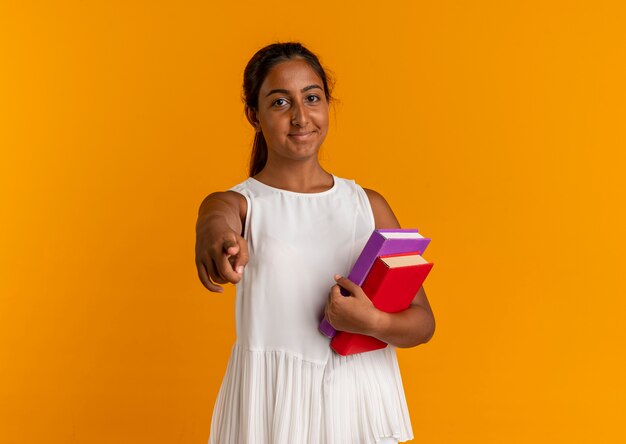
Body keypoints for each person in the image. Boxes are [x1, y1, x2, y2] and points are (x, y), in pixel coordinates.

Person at [195, 42, 435, 444]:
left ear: (327, 103)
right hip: (274, 412)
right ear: (254, 115)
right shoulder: (241, 204)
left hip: (355, 407)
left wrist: (371, 323)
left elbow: (423, 322)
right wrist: (220, 241)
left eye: (311, 98)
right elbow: (214, 219)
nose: (301, 117)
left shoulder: (369, 206)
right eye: (279, 103)